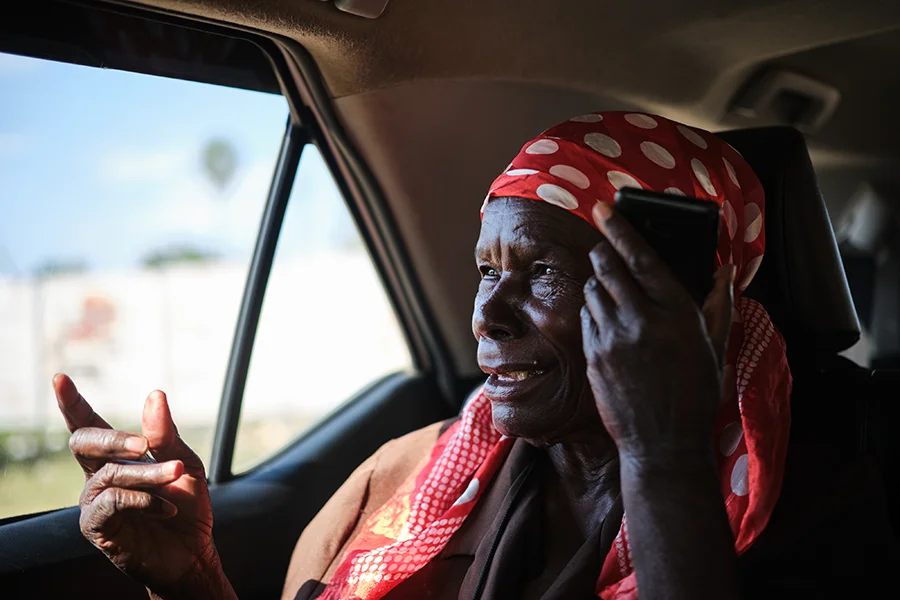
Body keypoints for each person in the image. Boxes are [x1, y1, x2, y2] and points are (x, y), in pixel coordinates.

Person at [52, 112, 891, 600]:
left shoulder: (839, 485)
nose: (487, 313)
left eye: (543, 271)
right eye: (485, 269)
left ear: (686, 297)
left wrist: (660, 450)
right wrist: (195, 582)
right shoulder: (403, 477)